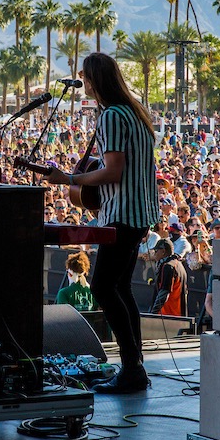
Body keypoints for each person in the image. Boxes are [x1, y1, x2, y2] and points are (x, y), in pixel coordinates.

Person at [45, 53, 159, 394]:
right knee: (121, 288)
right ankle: (134, 364)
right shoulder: (135, 113)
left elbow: (113, 171)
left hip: (121, 215)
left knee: (103, 288)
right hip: (140, 214)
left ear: (95, 81)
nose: (83, 82)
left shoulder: (111, 116)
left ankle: (132, 368)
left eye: (86, 77)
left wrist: (68, 178)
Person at [149, 238, 187, 316]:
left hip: (167, 314)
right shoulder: (178, 264)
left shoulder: (168, 267)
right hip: (178, 314)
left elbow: (164, 293)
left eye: (156, 251)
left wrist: (152, 314)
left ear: (163, 251)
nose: (154, 254)